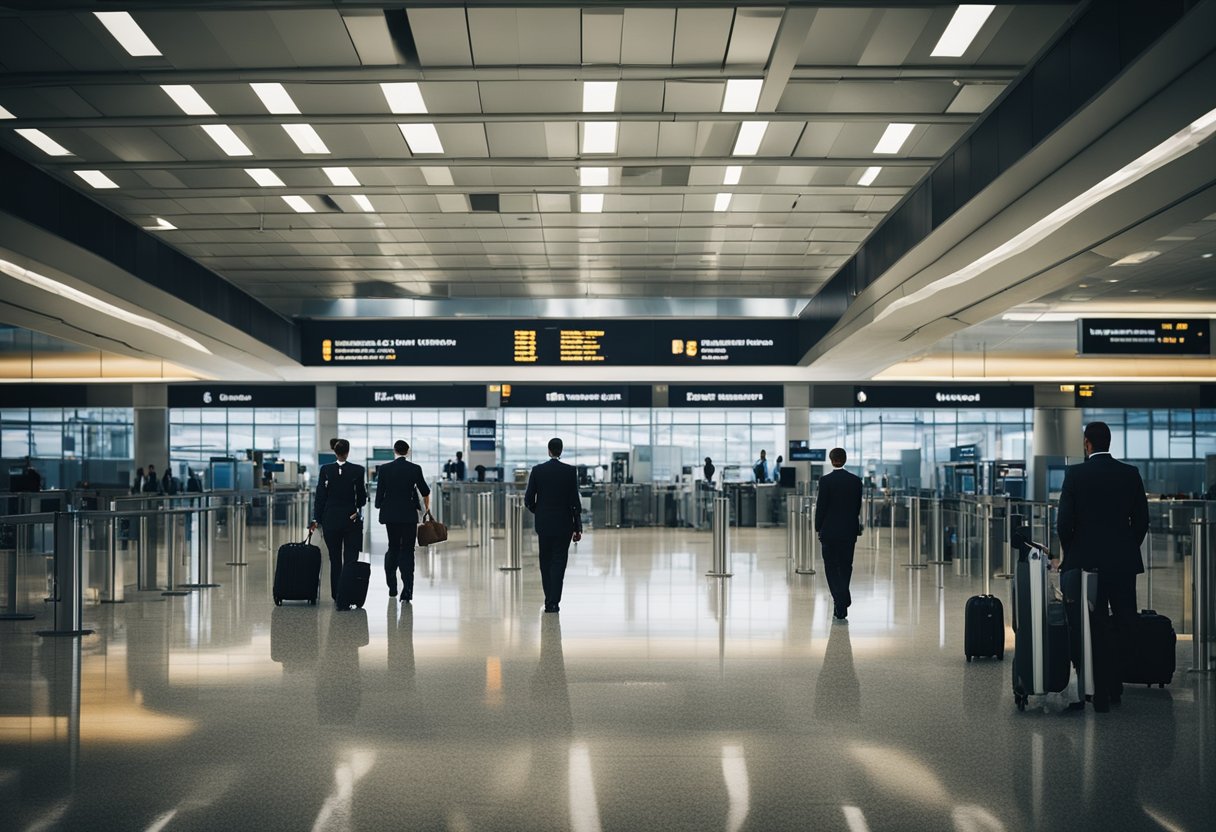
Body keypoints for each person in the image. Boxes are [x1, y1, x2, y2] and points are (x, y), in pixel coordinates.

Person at [1055, 421, 1149, 713]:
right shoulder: (1130, 474)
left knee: (1091, 625)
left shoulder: (1075, 474)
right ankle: (1116, 686)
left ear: (1087, 444)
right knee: (1123, 622)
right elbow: (1142, 522)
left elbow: (1064, 523)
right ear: (1109, 442)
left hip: (1086, 566)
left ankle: (1097, 692)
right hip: (1121, 564)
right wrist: (1125, 547)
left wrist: (1073, 552)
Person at [524, 438, 583, 613]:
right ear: (561, 450)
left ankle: (548, 598)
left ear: (549, 450)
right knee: (559, 561)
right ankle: (554, 602)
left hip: (544, 525)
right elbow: (575, 502)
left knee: (546, 561)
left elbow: (528, 500)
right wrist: (577, 527)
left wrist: (539, 511)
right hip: (564, 524)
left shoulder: (537, 471)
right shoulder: (570, 471)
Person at [310, 438, 368, 608]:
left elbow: (320, 497)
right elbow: (362, 498)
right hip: (351, 520)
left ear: (335, 452)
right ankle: (348, 594)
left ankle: (337, 595)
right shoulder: (358, 470)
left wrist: (317, 519)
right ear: (348, 452)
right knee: (350, 559)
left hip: (330, 520)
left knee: (335, 559)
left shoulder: (326, 470)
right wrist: (357, 507)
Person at [374, 440, 431, 602]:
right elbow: (425, 491)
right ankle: (408, 589)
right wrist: (425, 509)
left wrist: (379, 504)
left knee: (393, 547)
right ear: (407, 451)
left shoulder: (384, 469)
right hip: (408, 516)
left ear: (395, 451)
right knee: (407, 550)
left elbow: (379, 494)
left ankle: (392, 585)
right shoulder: (415, 469)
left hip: (391, 515)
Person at [815, 447, 863, 621]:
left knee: (830, 566)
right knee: (845, 565)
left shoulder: (825, 481)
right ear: (845, 459)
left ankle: (840, 599)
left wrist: (818, 526)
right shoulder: (856, 481)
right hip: (849, 530)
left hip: (829, 531)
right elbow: (857, 507)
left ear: (830, 459)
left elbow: (821, 506)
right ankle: (842, 596)